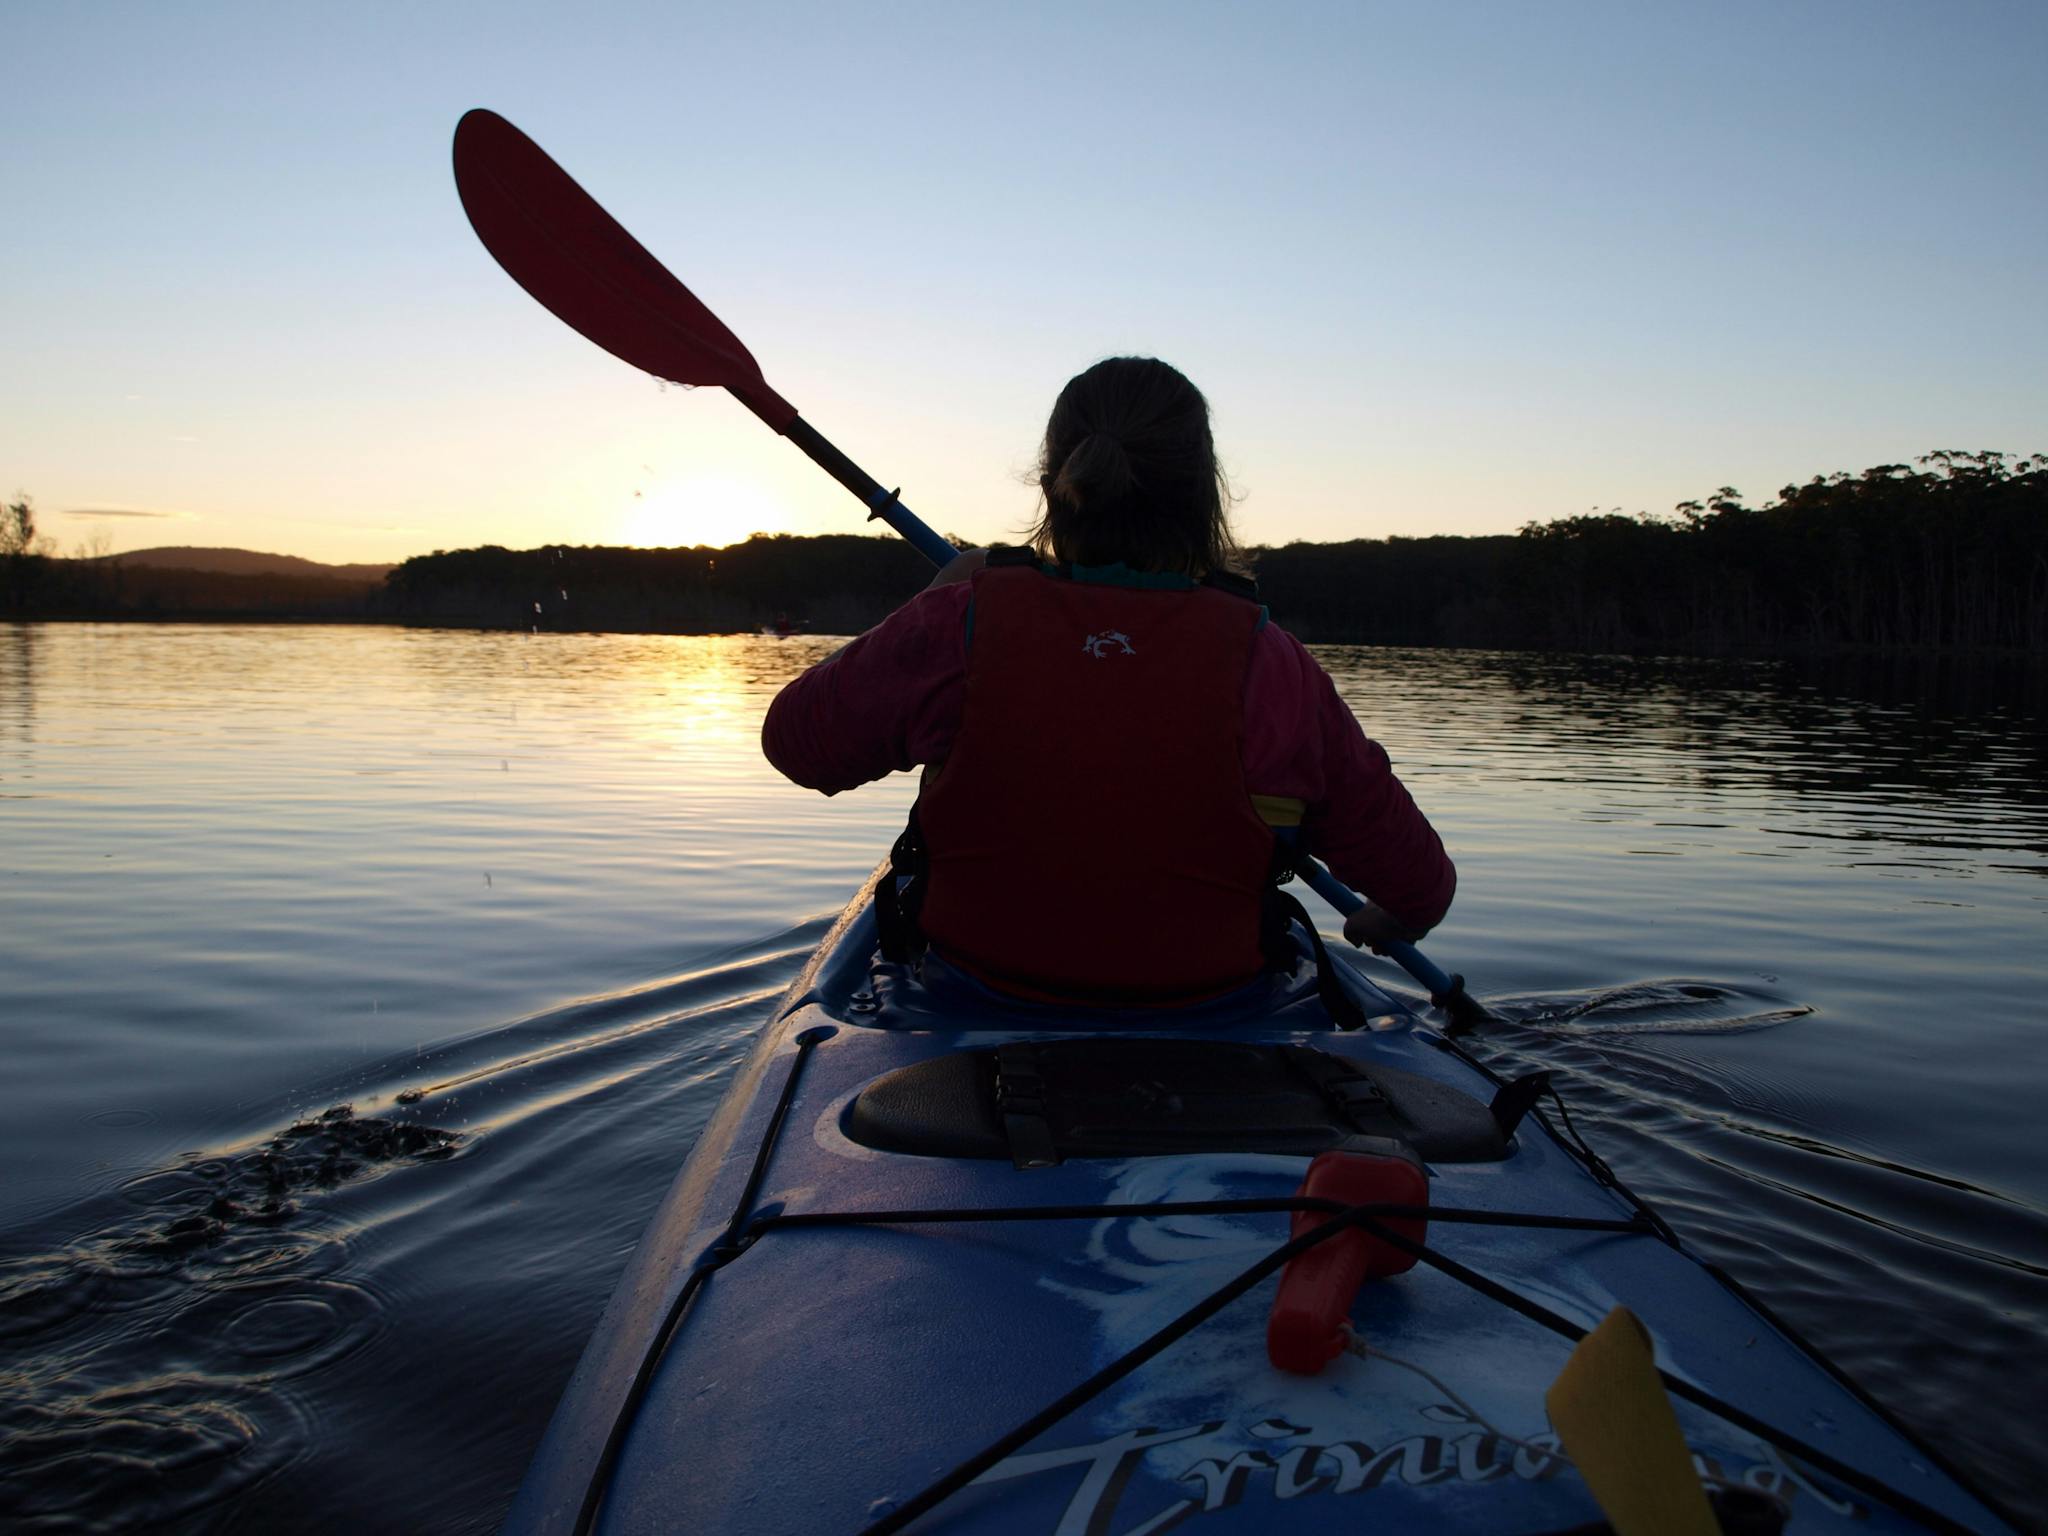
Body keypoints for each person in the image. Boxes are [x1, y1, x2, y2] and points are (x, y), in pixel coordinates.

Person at [762, 356, 1454, 1006]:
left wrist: (934, 600)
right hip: (1209, 1013)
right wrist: (1388, 920)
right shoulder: (1270, 662)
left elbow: (798, 745)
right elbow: (1421, 887)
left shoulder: (960, 623)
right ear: (1204, 496)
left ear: (1050, 483)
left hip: (975, 992)